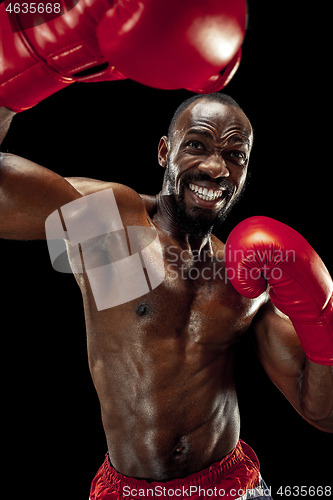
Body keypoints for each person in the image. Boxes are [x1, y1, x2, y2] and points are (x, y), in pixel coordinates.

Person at [0, 92, 332, 500]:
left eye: (235, 155)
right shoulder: (114, 228)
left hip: (232, 487)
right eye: (197, 145)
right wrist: (14, 87)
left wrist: (325, 318)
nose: (216, 168)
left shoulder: (244, 276)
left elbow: (322, 412)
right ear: (164, 151)